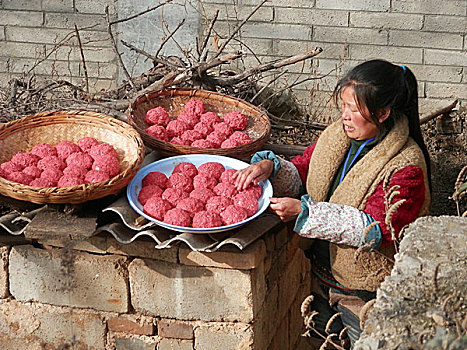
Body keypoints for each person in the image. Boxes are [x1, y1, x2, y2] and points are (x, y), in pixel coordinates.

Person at [233, 59, 431, 347]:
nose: (345, 116)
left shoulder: (406, 166)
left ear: (383, 113)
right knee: (321, 341)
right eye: (343, 106)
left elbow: (377, 228)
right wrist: (271, 169)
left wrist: (305, 213)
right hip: (319, 276)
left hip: (363, 293)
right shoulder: (337, 136)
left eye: (354, 109)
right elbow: (305, 169)